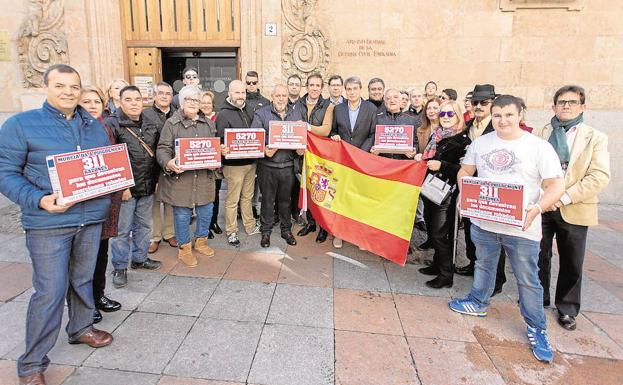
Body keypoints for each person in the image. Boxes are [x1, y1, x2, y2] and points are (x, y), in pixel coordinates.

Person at [0, 64, 113, 385]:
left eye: (74, 86)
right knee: (49, 291)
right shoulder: (22, 124)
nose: (68, 92)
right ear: (46, 87)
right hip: (48, 221)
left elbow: (103, 165)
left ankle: (80, 328)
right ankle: (32, 364)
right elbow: (5, 172)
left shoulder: (93, 125)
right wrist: (38, 199)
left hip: (90, 218)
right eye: (60, 86)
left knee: (82, 279)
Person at [450, 95, 565, 364]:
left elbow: (556, 185)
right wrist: (463, 192)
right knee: (484, 265)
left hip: (521, 228)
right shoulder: (481, 143)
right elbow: (466, 170)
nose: (503, 120)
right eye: (498, 115)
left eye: (509, 115)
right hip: (484, 223)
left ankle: (537, 327)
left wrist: (537, 208)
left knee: (527, 279)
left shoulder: (538, 147)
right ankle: (478, 302)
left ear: (520, 115)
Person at [534, 85, 611, 331]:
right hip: (542, 205)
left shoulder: (595, 137)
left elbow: (598, 176)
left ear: (582, 107)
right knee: (538, 255)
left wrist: (564, 197)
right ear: (554, 106)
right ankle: (538, 298)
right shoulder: (542, 132)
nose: (566, 106)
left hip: (574, 206)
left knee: (571, 260)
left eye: (572, 102)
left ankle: (567, 308)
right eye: (562, 102)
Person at [157, 85, 220, 267]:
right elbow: (162, 149)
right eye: (190, 100)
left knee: (206, 211)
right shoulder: (172, 123)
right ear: (181, 102)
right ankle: (184, 248)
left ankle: (201, 241)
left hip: (203, 178)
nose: (194, 103)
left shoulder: (208, 123)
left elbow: (213, 147)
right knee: (182, 215)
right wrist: (168, 163)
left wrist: (219, 152)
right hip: (181, 180)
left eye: (196, 100)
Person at [106, 85, 162, 289]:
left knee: (144, 226)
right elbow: (111, 158)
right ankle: (119, 267)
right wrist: (122, 187)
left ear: (143, 101)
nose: (133, 103)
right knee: (122, 230)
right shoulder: (113, 124)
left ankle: (140, 258)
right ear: (120, 102)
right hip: (126, 189)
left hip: (147, 184)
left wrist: (155, 180)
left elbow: (154, 154)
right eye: (128, 99)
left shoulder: (150, 122)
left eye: (137, 99)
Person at [455, 84, 507, 297]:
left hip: (492, 189)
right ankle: (473, 264)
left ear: (492, 104)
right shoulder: (469, 126)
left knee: (494, 237)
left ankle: (497, 279)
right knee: (470, 231)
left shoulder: (498, 128)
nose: (478, 106)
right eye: (475, 102)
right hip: (470, 187)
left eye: (483, 103)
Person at [79, 85, 122, 324]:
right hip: (81, 205)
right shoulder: (72, 130)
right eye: (86, 101)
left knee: (101, 254)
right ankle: (85, 306)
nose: (92, 105)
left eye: (96, 101)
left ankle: (98, 296)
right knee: (83, 259)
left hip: (105, 201)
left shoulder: (106, 129)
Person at [415, 100, 469, 288]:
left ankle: (446, 275)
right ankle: (437, 265)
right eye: (443, 114)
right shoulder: (437, 136)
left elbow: (466, 170)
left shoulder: (463, 139)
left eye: (450, 114)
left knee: (441, 235)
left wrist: (442, 166)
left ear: (458, 116)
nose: (445, 118)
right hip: (431, 189)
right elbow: (430, 158)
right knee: (432, 230)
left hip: (447, 193)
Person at [252, 84, 304, 248]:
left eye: (284, 95)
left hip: (288, 165)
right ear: (272, 96)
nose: (281, 98)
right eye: (278, 96)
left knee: (285, 201)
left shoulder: (296, 113)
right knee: (267, 200)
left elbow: (302, 134)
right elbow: (256, 136)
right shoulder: (261, 113)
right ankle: (266, 232)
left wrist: (301, 148)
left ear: (287, 97)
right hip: (267, 165)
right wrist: (265, 148)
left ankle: (286, 230)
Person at [330, 76, 377, 249]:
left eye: (354, 89)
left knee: (359, 198)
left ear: (360, 90)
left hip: (362, 160)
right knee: (341, 198)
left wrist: (360, 153)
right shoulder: (339, 108)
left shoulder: (370, 108)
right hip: (343, 161)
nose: (351, 92)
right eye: (348, 89)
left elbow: (373, 134)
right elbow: (334, 130)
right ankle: (339, 234)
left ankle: (359, 236)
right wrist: (334, 136)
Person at [216, 80, 261, 246]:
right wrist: (222, 148)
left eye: (243, 93)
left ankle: (249, 225)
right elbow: (219, 140)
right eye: (237, 93)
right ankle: (231, 231)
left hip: (251, 163)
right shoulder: (223, 114)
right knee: (232, 200)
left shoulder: (250, 109)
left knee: (248, 197)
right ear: (230, 93)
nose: (241, 96)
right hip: (233, 166)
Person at [294, 73, 336, 243]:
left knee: (322, 191)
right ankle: (311, 223)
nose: (314, 88)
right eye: (311, 85)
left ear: (321, 87)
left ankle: (323, 228)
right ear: (307, 87)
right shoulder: (297, 105)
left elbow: (325, 130)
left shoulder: (328, 106)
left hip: (320, 158)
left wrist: (308, 127)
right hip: (302, 155)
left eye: (317, 85)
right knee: (308, 190)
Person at [144, 81, 177, 254]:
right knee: (155, 203)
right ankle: (155, 236)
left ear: (172, 97)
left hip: (173, 164)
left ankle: (169, 233)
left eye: (167, 94)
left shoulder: (177, 114)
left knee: (171, 201)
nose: (164, 96)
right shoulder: (146, 114)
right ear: (154, 96)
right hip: (153, 165)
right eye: (161, 93)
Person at [415, 97, 442, 240]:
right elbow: (418, 148)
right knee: (427, 209)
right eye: (429, 108)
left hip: (441, 175)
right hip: (425, 173)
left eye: (435, 108)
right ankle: (430, 239)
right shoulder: (421, 130)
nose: (431, 111)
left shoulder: (447, 130)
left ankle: (438, 243)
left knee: (439, 213)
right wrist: (417, 154)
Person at [200, 90, 223, 239]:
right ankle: (205, 226)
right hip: (201, 165)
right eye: (203, 103)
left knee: (216, 194)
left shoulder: (219, 118)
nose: (206, 105)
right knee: (204, 196)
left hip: (216, 164)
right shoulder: (196, 119)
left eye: (208, 102)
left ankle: (214, 222)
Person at [372, 88, 419, 161]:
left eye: (395, 97)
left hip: (402, 164)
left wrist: (414, 151)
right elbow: (371, 139)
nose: (392, 100)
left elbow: (416, 142)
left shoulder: (411, 120)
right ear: (385, 102)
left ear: (401, 101)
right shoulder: (377, 119)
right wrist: (373, 150)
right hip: (382, 163)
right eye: (388, 98)